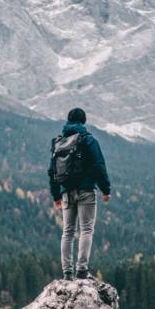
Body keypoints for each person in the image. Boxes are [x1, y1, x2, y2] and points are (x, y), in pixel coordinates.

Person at [48, 107, 111, 280]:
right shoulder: (88, 140)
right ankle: (82, 270)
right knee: (86, 230)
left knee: (67, 232)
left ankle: (67, 272)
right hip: (86, 192)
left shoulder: (59, 142)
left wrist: (56, 195)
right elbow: (99, 165)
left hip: (67, 193)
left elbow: (52, 171)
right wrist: (106, 190)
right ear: (83, 121)